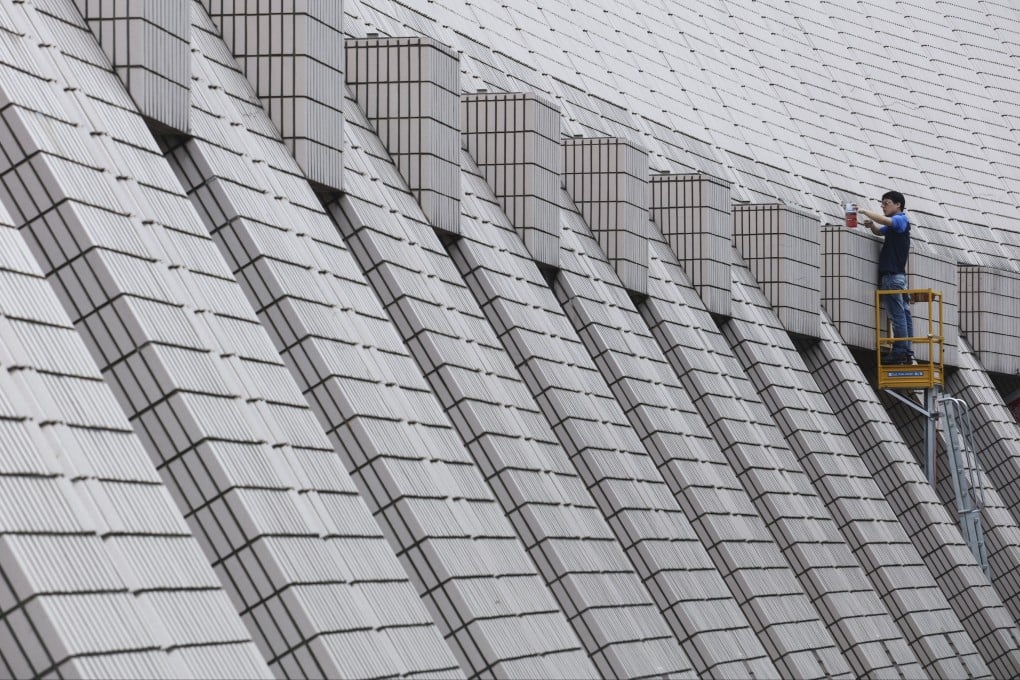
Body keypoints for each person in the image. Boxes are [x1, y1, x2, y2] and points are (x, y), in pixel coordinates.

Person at [859, 191, 914, 364]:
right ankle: (907, 350)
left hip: (892, 277)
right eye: (882, 203)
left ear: (898, 205)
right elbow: (880, 230)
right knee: (904, 313)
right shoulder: (895, 226)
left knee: (897, 315)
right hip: (899, 278)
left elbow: (885, 221)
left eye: (887, 203)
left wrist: (864, 211)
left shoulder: (901, 220)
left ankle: (900, 350)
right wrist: (871, 227)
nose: (883, 206)